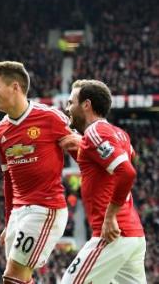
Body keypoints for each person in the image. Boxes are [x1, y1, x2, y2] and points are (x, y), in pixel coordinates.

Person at [0, 61, 78, 283]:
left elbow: (84, 156)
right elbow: (8, 179)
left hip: (45, 208)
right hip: (18, 213)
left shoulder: (51, 118)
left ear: (15, 87)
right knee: (22, 279)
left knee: (12, 278)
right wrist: (9, 220)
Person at [62, 79, 146, 283]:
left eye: (71, 102)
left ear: (86, 105)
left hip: (113, 235)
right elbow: (109, 167)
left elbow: (127, 172)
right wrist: (81, 147)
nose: (67, 108)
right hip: (132, 235)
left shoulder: (95, 132)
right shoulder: (120, 134)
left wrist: (110, 217)